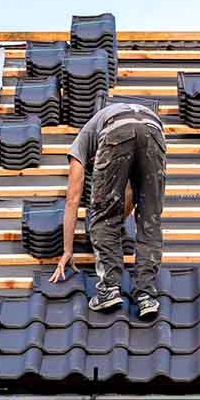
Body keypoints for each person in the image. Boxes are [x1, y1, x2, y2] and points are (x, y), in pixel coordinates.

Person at [49, 102, 167, 320]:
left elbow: (72, 199)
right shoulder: (101, 124)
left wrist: (67, 250)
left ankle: (108, 290)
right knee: (150, 217)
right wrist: (118, 219)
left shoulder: (81, 142)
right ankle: (146, 296)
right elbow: (131, 193)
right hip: (154, 130)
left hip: (117, 130)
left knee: (102, 215)